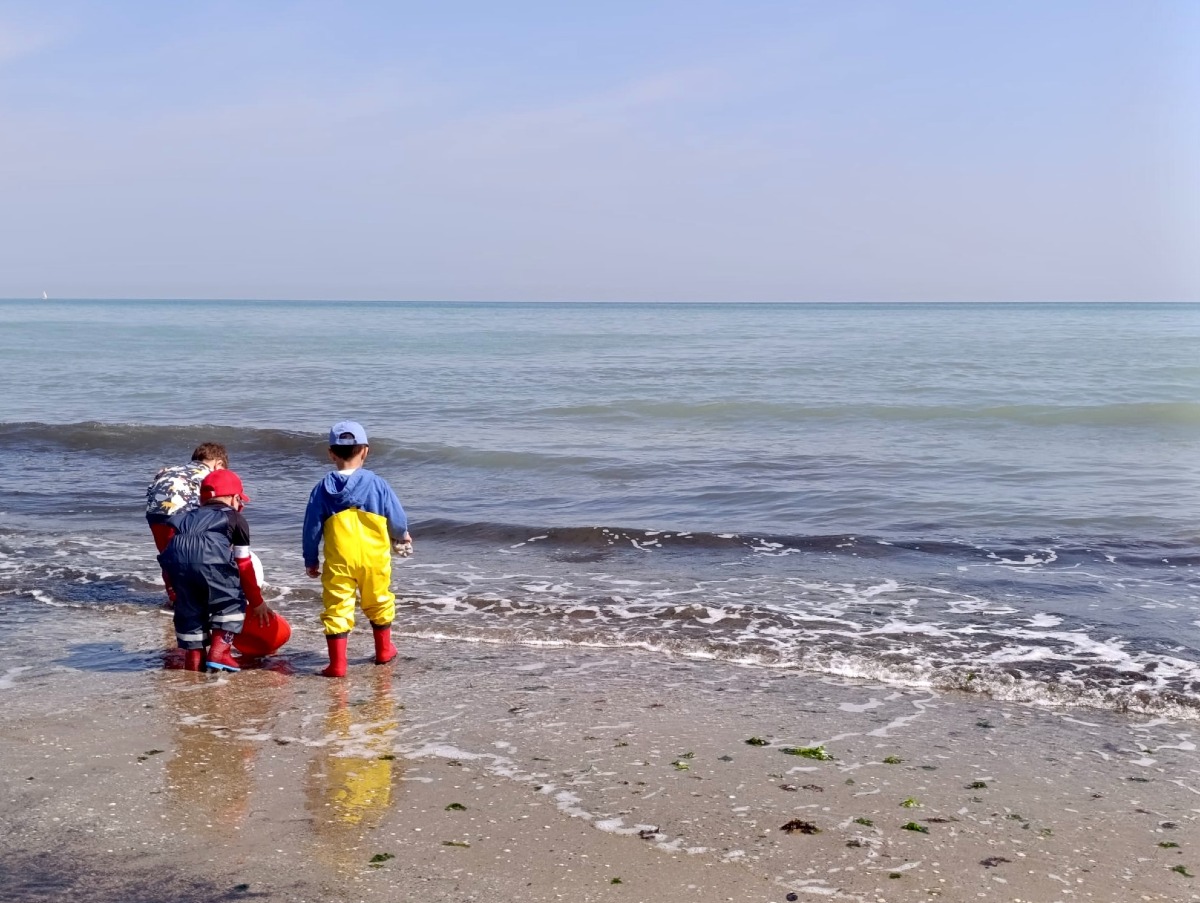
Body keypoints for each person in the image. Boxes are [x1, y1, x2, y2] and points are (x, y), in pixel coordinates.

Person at [303, 420, 412, 678]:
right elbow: (397, 518)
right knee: (379, 599)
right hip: (374, 558)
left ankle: (337, 665)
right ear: (365, 451)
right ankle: (383, 651)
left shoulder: (322, 489)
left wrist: (311, 559)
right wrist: (402, 536)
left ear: (331, 453)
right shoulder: (378, 484)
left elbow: (311, 528)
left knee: (337, 606)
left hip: (339, 559)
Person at [159, 469, 273, 672]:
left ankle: (194, 661)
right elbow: (244, 564)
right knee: (230, 600)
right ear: (235, 498)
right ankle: (220, 652)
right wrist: (256, 602)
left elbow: (169, 556)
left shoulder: (183, 517)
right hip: (211, 559)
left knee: (189, 607)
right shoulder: (235, 518)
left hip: (175, 562)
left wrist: (173, 589)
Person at [145, 442, 229, 607]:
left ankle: (174, 597)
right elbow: (214, 503)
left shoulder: (168, 470)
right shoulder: (209, 475)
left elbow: (151, 491)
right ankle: (196, 596)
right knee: (190, 554)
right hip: (182, 516)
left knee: (168, 555)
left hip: (155, 515)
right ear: (218, 463)